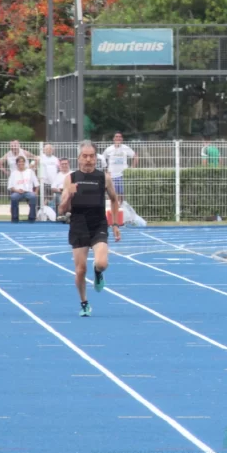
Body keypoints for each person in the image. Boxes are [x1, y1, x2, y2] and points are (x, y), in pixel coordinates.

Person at [59, 141, 122, 317]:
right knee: (80, 270)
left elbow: (114, 200)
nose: (88, 159)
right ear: (79, 158)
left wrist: (115, 224)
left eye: (91, 156)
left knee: (101, 263)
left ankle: (98, 272)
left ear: (96, 158)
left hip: (98, 224)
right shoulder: (70, 178)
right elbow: (62, 210)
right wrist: (68, 196)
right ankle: (84, 303)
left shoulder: (104, 178)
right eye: (85, 156)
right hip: (78, 225)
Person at [102, 133, 137, 203]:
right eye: (116, 136)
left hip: (122, 175)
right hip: (112, 175)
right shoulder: (109, 149)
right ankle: (112, 207)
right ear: (113, 139)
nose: (118, 138)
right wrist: (106, 170)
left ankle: (121, 207)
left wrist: (132, 168)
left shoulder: (126, 148)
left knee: (121, 194)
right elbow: (102, 158)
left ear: (122, 139)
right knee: (111, 194)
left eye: (120, 137)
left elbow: (135, 156)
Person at [7, 156, 39, 222]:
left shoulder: (30, 172)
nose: (21, 163)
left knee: (33, 197)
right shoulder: (13, 173)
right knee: (13, 197)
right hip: (17, 192)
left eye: (22, 162)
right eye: (19, 162)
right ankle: (15, 218)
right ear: (16, 163)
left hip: (28, 192)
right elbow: (10, 186)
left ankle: (32, 218)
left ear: (24, 163)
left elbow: (36, 184)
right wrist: (17, 190)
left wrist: (36, 192)